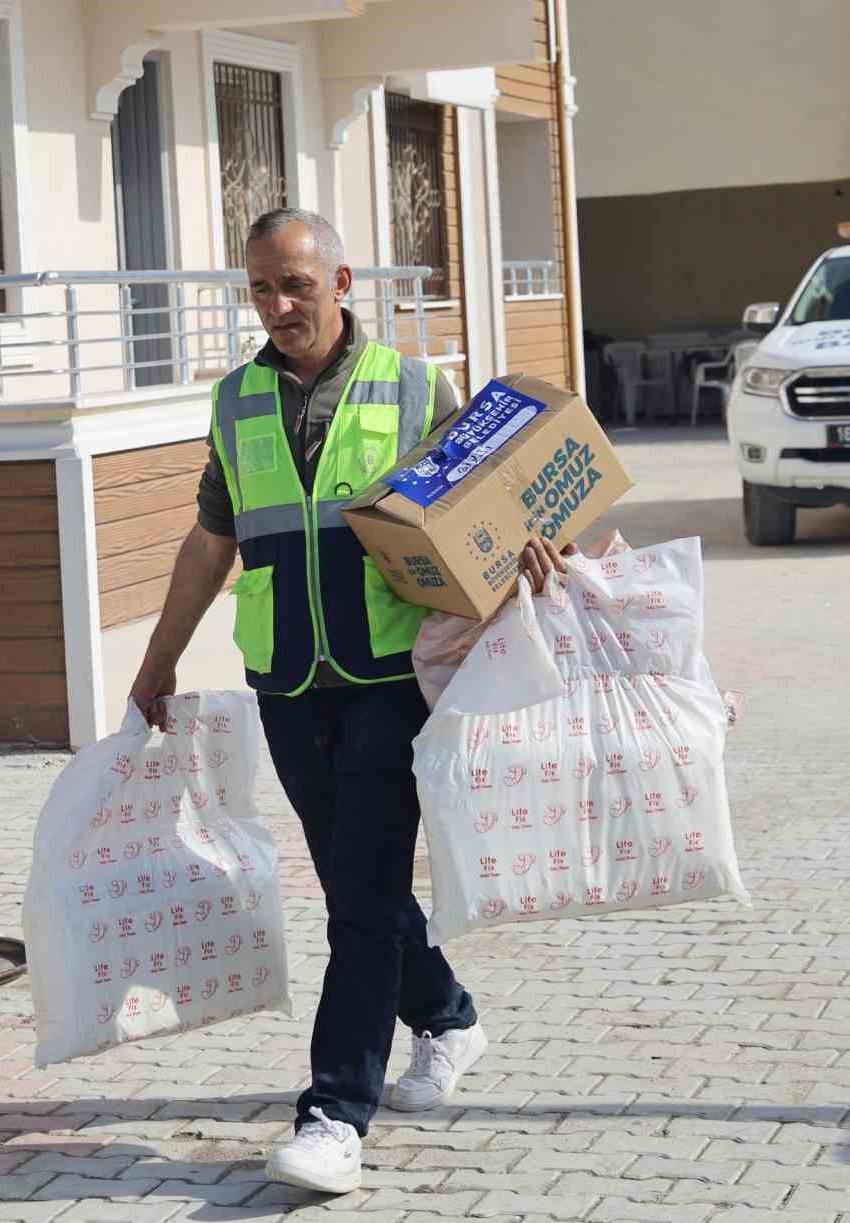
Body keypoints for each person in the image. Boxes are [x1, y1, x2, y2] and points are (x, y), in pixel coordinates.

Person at [129, 208, 568, 1195]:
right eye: (260, 289)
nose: (278, 306)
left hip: (386, 674)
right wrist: (157, 659)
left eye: (294, 284)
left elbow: (494, 503)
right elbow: (213, 538)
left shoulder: (416, 384)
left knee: (361, 898)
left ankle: (333, 1113)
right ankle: (449, 1017)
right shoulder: (236, 399)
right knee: (352, 887)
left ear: (341, 281)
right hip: (286, 679)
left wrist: (535, 543)